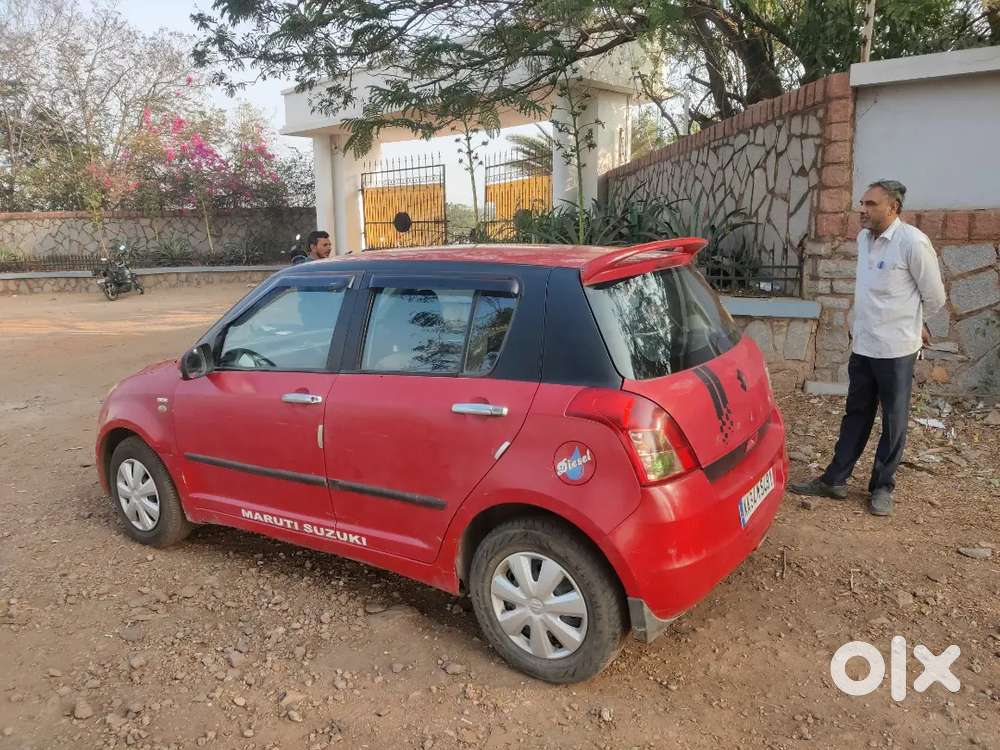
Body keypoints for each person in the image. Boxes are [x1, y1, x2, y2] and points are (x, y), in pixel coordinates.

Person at [790, 179, 946, 517]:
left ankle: (882, 487)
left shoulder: (913, 243)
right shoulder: (864, 239)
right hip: (864, 345)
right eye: (862, 203)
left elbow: (935, 296)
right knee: (856, 414)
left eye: (871, 204)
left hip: (897, 350)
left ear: (893, 207)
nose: (863, 209)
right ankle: (835, 480)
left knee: (893, 421)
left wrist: (915, 323)